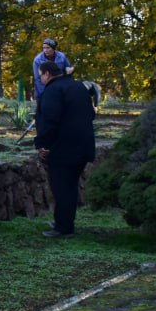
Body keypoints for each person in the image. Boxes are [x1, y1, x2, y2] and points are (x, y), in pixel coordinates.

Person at [33, 60, 96, 238]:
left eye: (41, 76)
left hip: (63, 149)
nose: (41, 80)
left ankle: (63, 227)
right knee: (69, 187)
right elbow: (90, 114)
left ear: (47, 74)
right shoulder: (78, 87)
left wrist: (43, 145)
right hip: (83, 146)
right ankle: (64, 221)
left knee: (61, 188)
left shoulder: (53, 91)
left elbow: (50, 120)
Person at [32, 38, 74, 102]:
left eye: (48, 48)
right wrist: (45, 94)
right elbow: (38, 79)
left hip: (60, 89)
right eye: (44, 48)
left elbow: (69, 68)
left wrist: (70, 69)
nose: (45, 50)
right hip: (44, 91)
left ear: (53, 48)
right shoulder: (37, 60)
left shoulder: (62, 56)